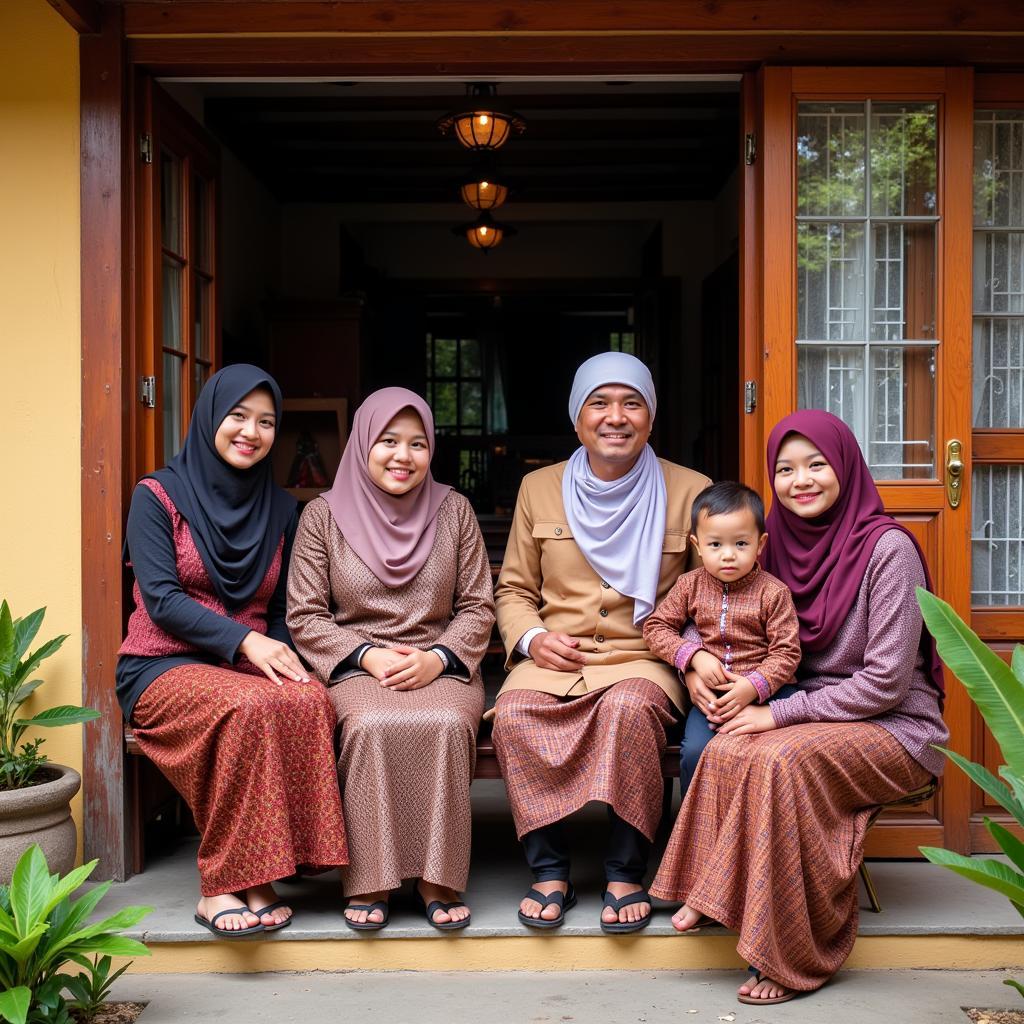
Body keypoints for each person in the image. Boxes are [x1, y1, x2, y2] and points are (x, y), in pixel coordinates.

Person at [650, 409, 948, 1005]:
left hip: (895, 725)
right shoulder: (770, 546)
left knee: (779, 760)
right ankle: (713, 892)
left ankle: (788, 956)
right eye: (785, 469)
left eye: (816, 465)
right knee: (724, 742)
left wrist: (776, 713)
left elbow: (886, 683)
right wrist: (705, 669)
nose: (800, 480)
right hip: (805, 710)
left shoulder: (887, 550)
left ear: (845, 467)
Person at [116, 364, 349, 938]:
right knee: (248, 709)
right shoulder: (157, 496)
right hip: (161, 662)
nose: (251, 431)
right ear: (208, 418)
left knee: (309, 700)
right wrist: (244, 640)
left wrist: (284, 655)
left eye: (267, 422)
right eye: (238, 416)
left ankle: (276, 864)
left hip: (245, 664)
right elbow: (163, 599)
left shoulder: (280, 510)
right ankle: (222, 885)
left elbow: (279, 612)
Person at [492, 351, 711, 933]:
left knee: (628, 710)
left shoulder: (690, 490)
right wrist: (533, 638)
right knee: (513, 714)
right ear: (577, 418)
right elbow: (512, 588)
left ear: (651, 415)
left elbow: (709, 598)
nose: (616, 417)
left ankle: (625, 869)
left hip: (645, 657)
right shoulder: (539, 488)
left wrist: (691, 658)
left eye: (631, 403)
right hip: (553, 660)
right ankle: (548, 870)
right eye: (600, 403)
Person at [287, 387, 494, 932]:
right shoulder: (321, 516)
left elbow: (477, 605)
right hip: (354, 662)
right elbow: (305, 615)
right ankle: (370, 877)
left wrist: (439, 659)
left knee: (448, 722)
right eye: (388, 441)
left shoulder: (455, 510)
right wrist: (367, 656)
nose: (403, 456)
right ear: (362, 444)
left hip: (442, 660)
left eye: (418, 444)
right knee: (369, 723)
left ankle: (438, 877)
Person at [642, 480, 801, 800]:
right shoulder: (689, 585)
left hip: (771, 695)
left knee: (768, 758)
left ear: (761, 544)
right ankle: (694, 830)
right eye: (715, 545)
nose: (728, 556)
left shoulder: (773, 592)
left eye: (741, 544)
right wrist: (694, 656)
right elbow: (656, 627)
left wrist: (753, 685)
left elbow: (787, 652)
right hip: (713, 700)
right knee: (695, 752)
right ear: (697, 545)